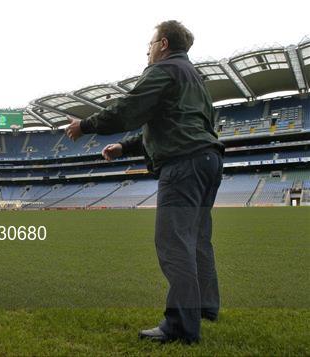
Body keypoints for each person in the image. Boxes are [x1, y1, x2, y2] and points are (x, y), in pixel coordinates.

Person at [65, 20, 224, 344]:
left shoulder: (162, 70)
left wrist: (85, 125)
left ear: (163, 43)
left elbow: (128, 110)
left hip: (183, 165)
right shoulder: (195, 78)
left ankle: (181, 325)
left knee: (174, 244)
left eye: (150, 43)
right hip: (208, 161)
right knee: (198, 241)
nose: (148, 49)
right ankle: (205, 307)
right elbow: (170, 123)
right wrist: (126, 146)